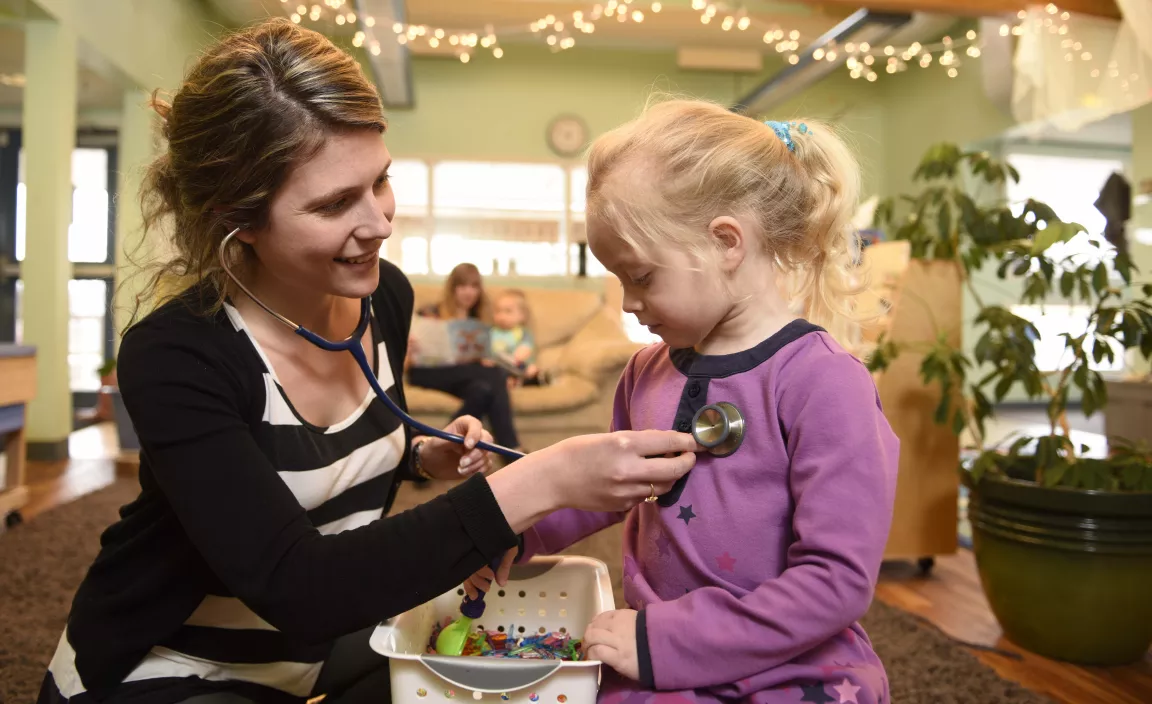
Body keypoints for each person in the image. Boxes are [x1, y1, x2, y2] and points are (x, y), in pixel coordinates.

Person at [38, 20, 700, 704]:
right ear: (236, 217)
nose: (381, 222)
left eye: (379, 181)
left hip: (314, 652)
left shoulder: (385, 295)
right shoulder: (177, 354)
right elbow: (302, 586)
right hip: (172, 662)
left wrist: (419, 455)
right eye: (333, 204)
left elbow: (327, 460)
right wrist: (545, 480)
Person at [467, 101, 901, 703]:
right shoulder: (646, 370)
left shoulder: (824, 381)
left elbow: (836, 582)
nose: (625, 302)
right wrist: (515, 532)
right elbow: (601, 493)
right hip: (657, 649)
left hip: (796, 668)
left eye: (640, 276)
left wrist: (665, 641)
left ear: (726, 243)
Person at [406, 264, 524, 451]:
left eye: (474, 286)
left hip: (465, 375)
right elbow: (408, 358)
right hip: (428, 372)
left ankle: (434, 448)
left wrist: (483, 359)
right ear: (452, 288)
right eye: (462, 286)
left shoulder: (481, 319)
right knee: (494, 374)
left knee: (482, 390)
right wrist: (410, 347)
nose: (469, 292)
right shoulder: (429, 312)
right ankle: (512, 448)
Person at [489, 288, 547, 386]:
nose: (502, 316)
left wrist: (520, 354)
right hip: (497, 367)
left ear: (522, 315)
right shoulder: (491, 332)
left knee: (531, 369)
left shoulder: (523, 333)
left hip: (518, 365)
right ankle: (511, 382)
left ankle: (532, 379)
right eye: (498, 311)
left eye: (508, 311)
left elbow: (525, 350)